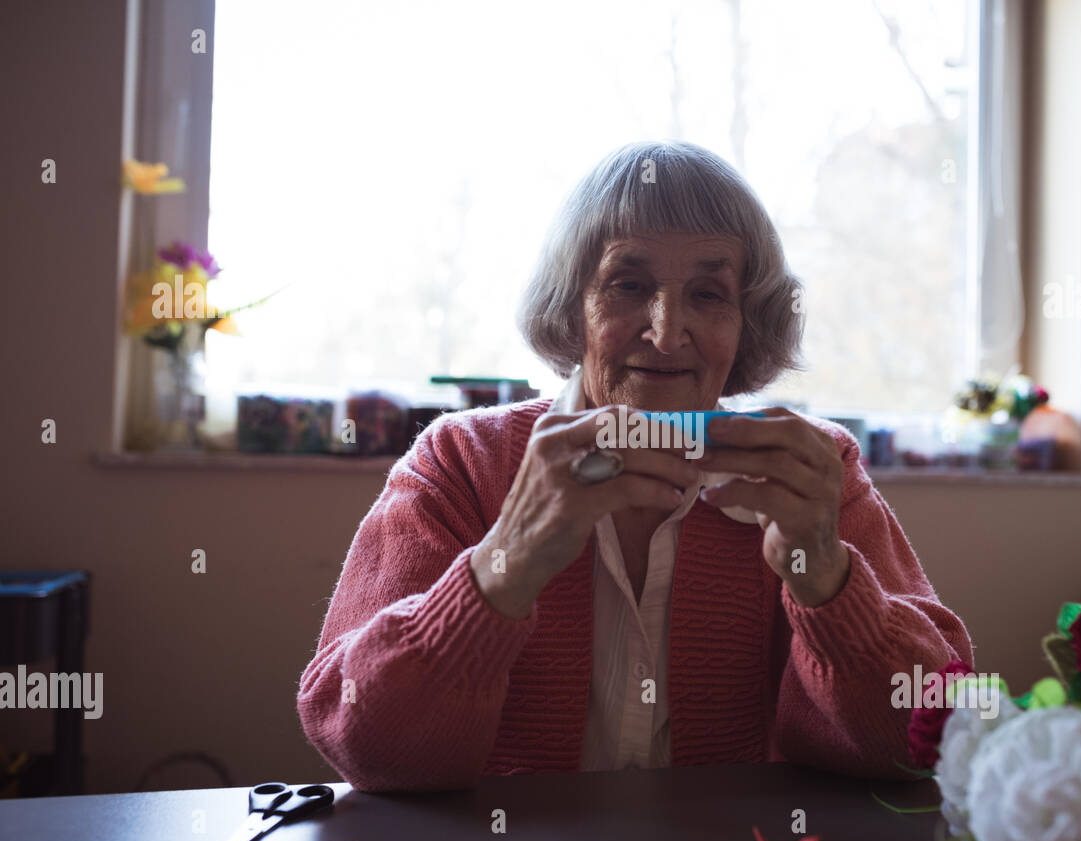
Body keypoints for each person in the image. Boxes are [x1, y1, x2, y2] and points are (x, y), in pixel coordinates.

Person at [297, 141, 972, 791]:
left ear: (747, 323)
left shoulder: (812, 471)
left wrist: (827, 578)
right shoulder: (463, 460)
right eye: (628, 284)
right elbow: (362, 740)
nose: (667, 328)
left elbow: (927, 738)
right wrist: (508, 558)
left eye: (708, 294)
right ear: (572, 306)